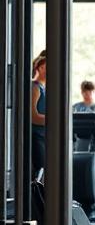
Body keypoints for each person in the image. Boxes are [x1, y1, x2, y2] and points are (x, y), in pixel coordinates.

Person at [29, 53, 46, 181]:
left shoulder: (46, 88)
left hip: (44, 136)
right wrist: (56, 121)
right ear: (40, 68)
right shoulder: (35, 87)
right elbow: (32, 116)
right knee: (40, 171)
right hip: (36, 137)